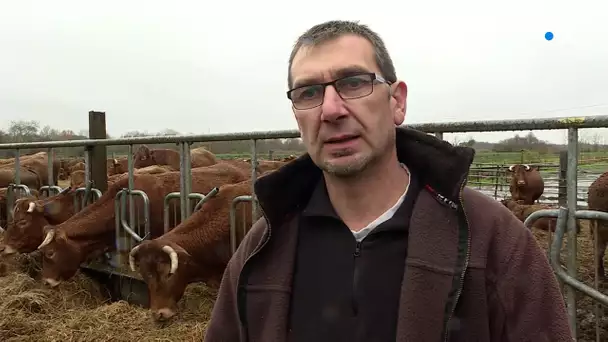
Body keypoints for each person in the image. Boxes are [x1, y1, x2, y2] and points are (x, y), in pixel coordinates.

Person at [204, 20, 572, 342]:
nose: (331, 110)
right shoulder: (265, 244)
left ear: (397, 101)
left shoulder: (492, 238)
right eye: (309, 92)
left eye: (353, 82)